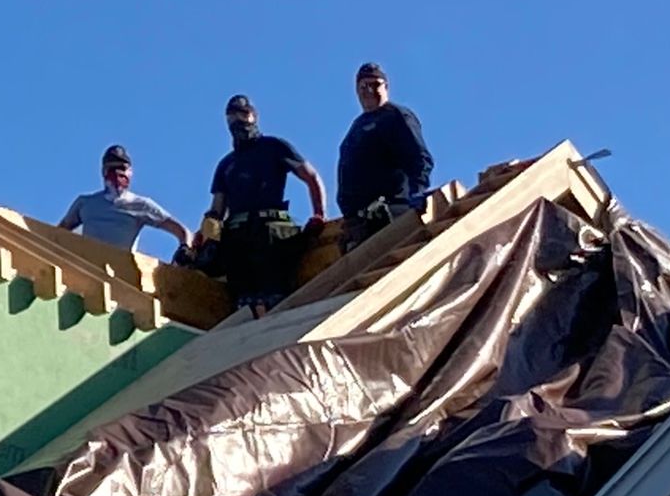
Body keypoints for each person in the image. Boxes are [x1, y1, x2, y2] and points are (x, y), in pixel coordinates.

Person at [198, 96, 327, 315]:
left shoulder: (274, 147)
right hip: (238, 239)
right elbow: (216, 210)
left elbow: (311, 177)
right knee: (244, 304)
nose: (239, 121)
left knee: (275, 297)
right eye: (233, 117)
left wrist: (319, 215)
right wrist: (205, 237)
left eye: (244, 114)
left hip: (272, 234)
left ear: (254, 116)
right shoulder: (226, 164)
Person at [336, 62, 435, 251]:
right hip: (363, 222)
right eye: (364, 86)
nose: (369, 91)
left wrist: (418, 192)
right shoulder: (356, 127)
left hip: (393, 212)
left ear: (386, 87)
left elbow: (420, 158)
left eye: (376, 84)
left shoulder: (396, 116)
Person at [58, 145, 191, 254]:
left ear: (130, 172)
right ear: (103, 172)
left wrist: (185, 249)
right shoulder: (85, 204)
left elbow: (181, 231)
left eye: (122, 168)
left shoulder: (141, 205)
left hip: (123, 276)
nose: (117, 174)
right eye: (112, 168)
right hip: (90, 272)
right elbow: (57, 234)